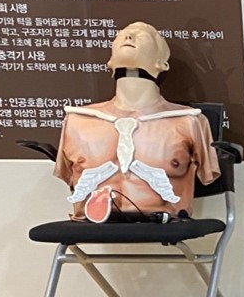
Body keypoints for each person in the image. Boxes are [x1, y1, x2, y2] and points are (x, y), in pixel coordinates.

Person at [52, 22, 220, 221]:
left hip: (165, 220)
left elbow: (208, 176)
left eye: (143, 36)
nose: (129, 37)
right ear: (110, 61)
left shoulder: (188, 121)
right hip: (91, 220)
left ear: (162, 63)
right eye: (122, 35)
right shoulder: (78, 120)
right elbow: (66, 174)